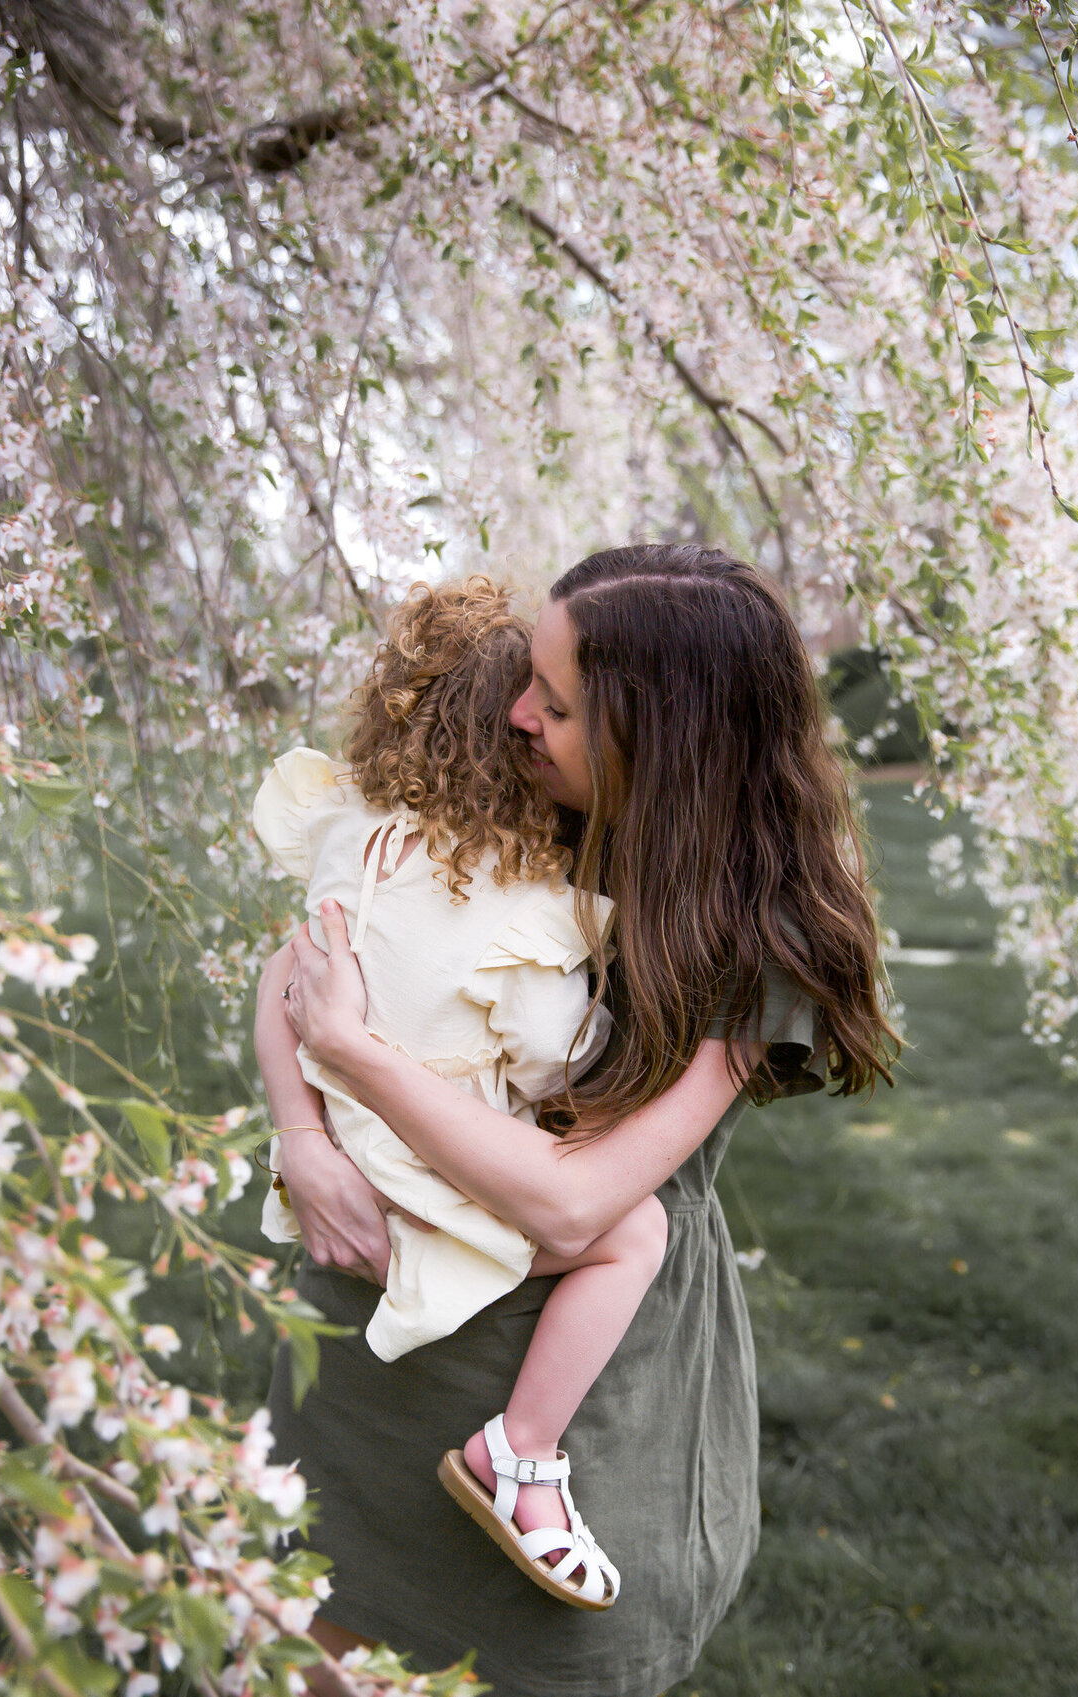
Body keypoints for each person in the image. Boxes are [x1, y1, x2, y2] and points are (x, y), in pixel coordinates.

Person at [255, 543, 898, 1697]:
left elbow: (577, 1200)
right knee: (309, 1646)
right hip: (378, 1347)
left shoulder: (760, 932)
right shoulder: (526, 797)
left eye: (554, 703)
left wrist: (353, 1051)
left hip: (577, 1394)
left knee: (550, 1667)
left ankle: (520, 1469)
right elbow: (304, 954)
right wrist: (303, 1135)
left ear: (664, 741)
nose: (513, 714)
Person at [253, 578, 668, 1609]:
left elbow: (287, 970)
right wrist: (600, 1029)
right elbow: (546, 1055)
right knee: (636, 1232)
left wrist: (299, 1129)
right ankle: (520, 1449)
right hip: (431, 1164)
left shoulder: (348, 828)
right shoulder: (524, 901)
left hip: (350, 1136)